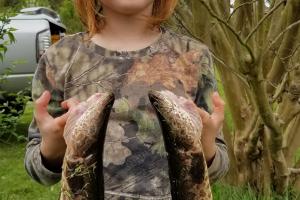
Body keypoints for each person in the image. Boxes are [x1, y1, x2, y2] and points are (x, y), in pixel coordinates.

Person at [25, 0, 229, 199]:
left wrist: (205, 145)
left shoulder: (194, 56)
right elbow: (38, 171)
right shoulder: (59, 58)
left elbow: (217, 170)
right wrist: (52, 147)